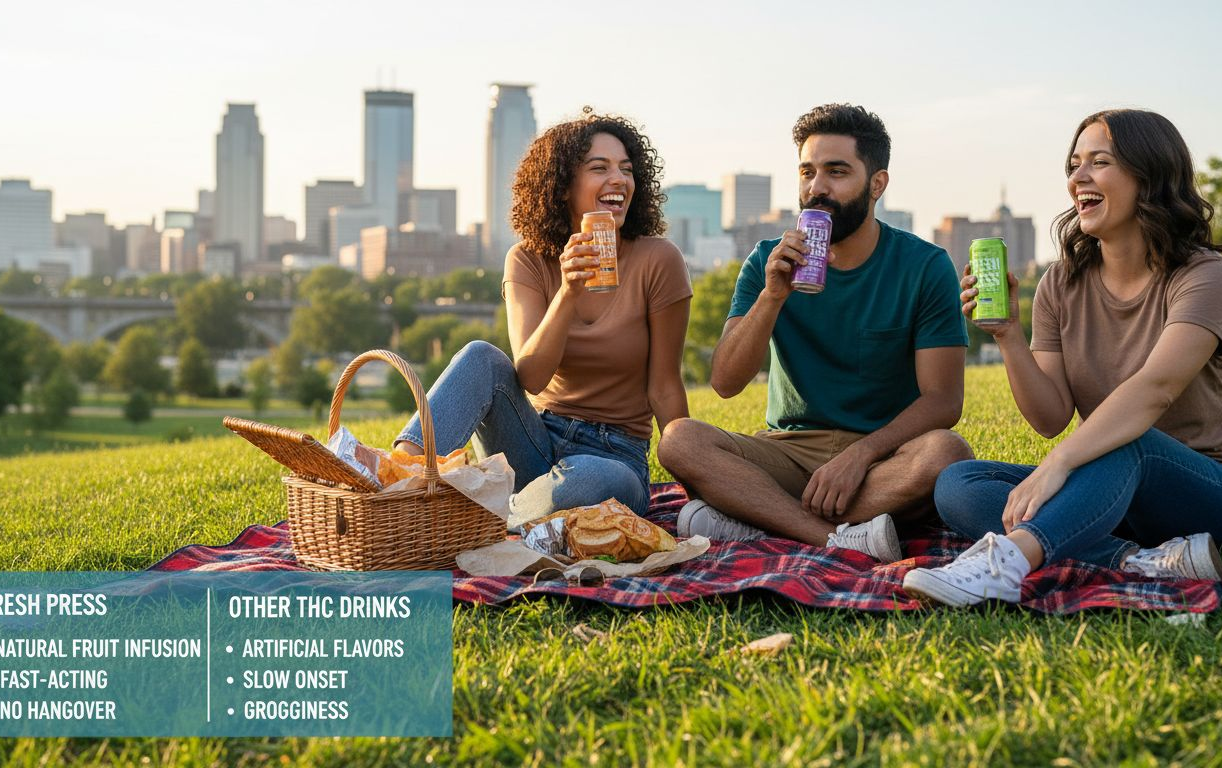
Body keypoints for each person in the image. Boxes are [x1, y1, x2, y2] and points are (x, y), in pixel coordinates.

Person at [903, 109, 1222, 607]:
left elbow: (1153, 390)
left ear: (1150, 176)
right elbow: (1051, 418)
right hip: (1109, 491)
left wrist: (1060, 464)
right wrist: (1009, 333)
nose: (1079, 178)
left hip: (1211, 496)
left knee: (1127, 438)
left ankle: (1006, 564)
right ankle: (1136, 560)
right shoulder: (1061, 283)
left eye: (1100, 162)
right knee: (959, 484)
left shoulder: (1204, 275)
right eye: (1074, 164)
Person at [657, 104, 973, 562]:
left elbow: (944, 400)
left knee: (947, 453)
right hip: (787, 452)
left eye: (837, 172)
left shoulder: (924, 266)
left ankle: (761, 521)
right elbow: (725, 382)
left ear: (877, 184)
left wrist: (861, 454)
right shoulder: (767, 261)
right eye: (807, 172)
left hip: (883, 458)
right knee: (679, 439)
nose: (817, 188)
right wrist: (773, 296)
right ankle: (832, 538)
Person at [393, 111, 692, 521]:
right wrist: (568, 292)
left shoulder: (659, 260)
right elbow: (531, 377)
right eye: (599, 168)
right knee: (481, 356)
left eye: (627, 169)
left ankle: (482, 514)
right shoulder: (527, 260)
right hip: (535, 440)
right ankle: (392, 482)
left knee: (587, 479)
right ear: (563, 187)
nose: (619, 180)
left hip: (615, 461)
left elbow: (665, 387)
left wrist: (697, 485)